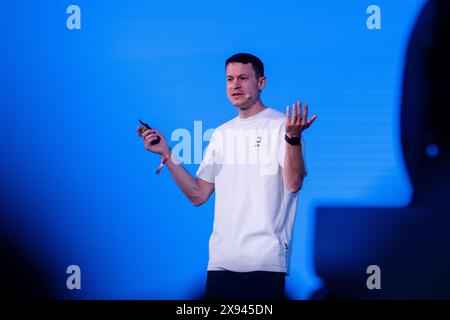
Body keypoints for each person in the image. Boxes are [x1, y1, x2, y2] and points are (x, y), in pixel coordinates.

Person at [138, 53, 316, 300]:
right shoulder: (221, 134)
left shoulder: (281, 127)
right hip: (220, 264)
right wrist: (167, 153)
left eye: (243, 78)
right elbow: (198, 195)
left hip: (264, 264)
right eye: (230, 79)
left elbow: (294, 183)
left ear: (261, 82)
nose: (235, 85)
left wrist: (293, 139)